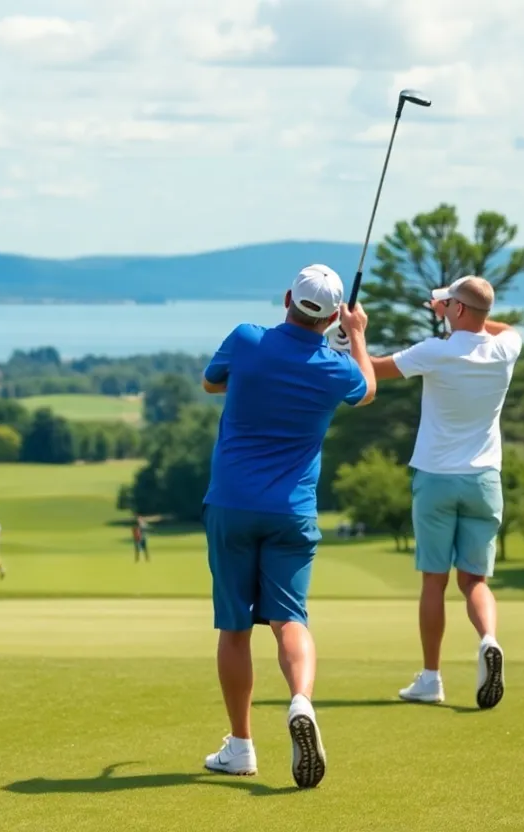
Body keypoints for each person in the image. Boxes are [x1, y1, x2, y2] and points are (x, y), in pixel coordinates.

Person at [198, 264, 375, 789]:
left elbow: (212, 382)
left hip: (231, 503)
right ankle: (300, 700)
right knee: (289, 620)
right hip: (292, 510)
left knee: (234, 630)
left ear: (287, 299)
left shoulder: (247, 339)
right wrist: (356, 336)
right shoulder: (335, 368)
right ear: (334, 316)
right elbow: (365, 389)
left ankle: (241, 747)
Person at [367, 276, 520, 710]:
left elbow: (373, 368)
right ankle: (488, 639)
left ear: (457, 310)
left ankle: (432, 678)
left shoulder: (434, 351)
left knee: (434, 582)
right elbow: (495, 325)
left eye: (450, 303)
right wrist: (460, 311)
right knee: (474, 581)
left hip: (436, 478)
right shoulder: (507, 348)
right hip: (484, 480)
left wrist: (355, 334)